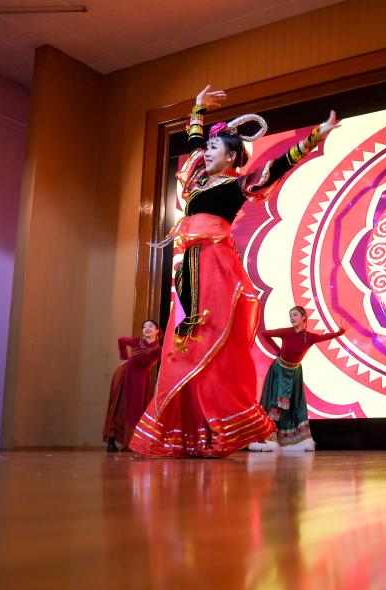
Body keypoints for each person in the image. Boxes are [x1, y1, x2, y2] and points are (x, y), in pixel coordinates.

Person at [130, 84, 339, 457]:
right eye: (208, 148)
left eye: (215, 149)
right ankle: (189, 431)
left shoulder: (234, 186)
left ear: (231, 157)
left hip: (215, 266)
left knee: (211, 339)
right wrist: (197, 109)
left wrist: (313, 138)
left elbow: (276, 167)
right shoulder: (199, 181)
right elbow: (196, 145)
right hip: (190, 267)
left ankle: (229, 426)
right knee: (184, 344)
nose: (206, 152)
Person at [250, 307, 347, 452]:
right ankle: (268, 439)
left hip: (294, 373)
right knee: (275, 404)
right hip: (279, 372)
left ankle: (293, 441)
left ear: (303, 317)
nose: (292, 318)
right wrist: (277, 349)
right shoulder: (286, 332)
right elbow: (264, 334)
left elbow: (325, 337)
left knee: (294, 404)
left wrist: (339, 333)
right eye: (290, 315)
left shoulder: (309, 337)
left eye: (295, 315)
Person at [103, 319, 161, 451]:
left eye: (150, 326)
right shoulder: (137, 341)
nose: (147, 328)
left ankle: (134, 442)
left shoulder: (158, 349)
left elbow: (168, 359)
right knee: (120, 405)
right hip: (126, 374)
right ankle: (111, 441)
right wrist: (124, 358)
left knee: (137, 409)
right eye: (144, 327)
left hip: (141, 379)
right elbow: (121, 340)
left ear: (157, 330)